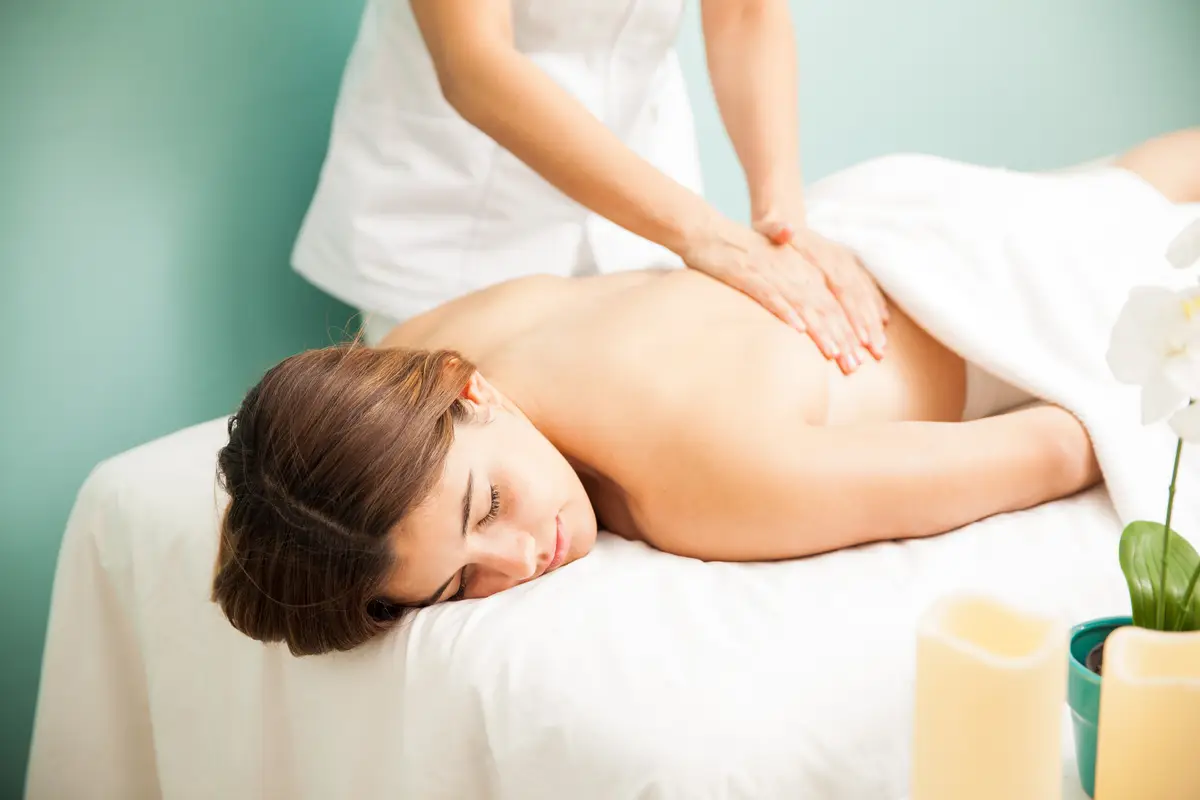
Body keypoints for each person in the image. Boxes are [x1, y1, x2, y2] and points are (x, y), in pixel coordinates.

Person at [217, 131, 1200, 657]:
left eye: (488, 505)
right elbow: (276, 488)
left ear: (470, 395)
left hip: (982, 297)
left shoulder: (703, 478)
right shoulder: (425, 348)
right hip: (869, 214)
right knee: (1108, 193)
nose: (521, 556)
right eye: (458, 583)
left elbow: (1056, 447)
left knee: (1118, 235)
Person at [290, 0, 886, 375]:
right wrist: (704, 233)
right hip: (457, 218)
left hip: (645, 198)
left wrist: (782, 220)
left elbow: (744, 12)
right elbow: (473, 61)